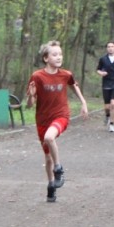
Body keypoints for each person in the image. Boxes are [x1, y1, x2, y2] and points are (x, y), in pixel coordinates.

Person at [26, 40, 89, 203]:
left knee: (49, 137)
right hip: (42, 119)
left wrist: (83, 102)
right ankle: (51, 185)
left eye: (60, 54)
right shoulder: (37, 76)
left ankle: (59, 168)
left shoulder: (66, 74)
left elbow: (74, 85)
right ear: (46, 58)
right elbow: (29, 105)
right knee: (47, 157)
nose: (59, 57)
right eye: (54, 54)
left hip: (61, 115)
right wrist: (32, 95)